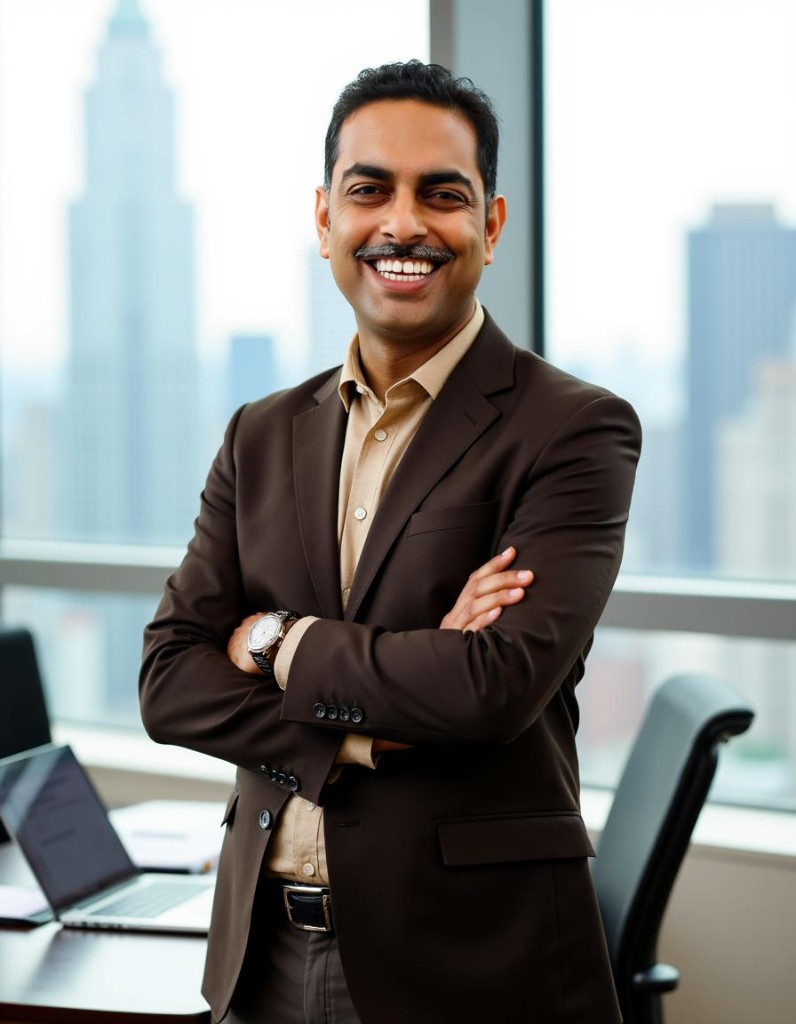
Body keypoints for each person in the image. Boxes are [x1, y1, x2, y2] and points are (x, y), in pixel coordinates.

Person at [140, 60, 641, 1024]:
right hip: (260, 954)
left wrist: (274, 642)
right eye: (369, 190)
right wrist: (374, 725)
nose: (403, 224)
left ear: (489, 227)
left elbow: (490, 686)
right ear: (325, 217)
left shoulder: (573, 428)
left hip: (470, 962)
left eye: (440, 195)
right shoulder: (260, 433)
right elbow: (168, 681)